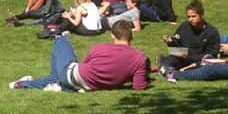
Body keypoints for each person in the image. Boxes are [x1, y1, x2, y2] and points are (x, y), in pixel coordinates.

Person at [9, 21, 148, 91]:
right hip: (86, 85)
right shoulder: (139, 59)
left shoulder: (101, 48)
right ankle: (24, 84)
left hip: (74, 76)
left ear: (112, 35)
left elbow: (84, 64)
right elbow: (138, 86)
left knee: (61, 41)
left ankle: (55, 34)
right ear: (131, 35)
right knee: (56, 77)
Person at [159, 0, 221, 71]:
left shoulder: (212, 32)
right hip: (183, 58)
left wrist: (189, 57)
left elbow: (211, 55)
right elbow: (176, 44)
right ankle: (166, 65)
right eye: (188, 17)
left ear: (201, 15)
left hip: (199, 60)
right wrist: (170, 41)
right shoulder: (184, 26)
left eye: (193, 16)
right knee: (171, 59)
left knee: (203, 65)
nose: (190, 19)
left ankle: (168, 67)